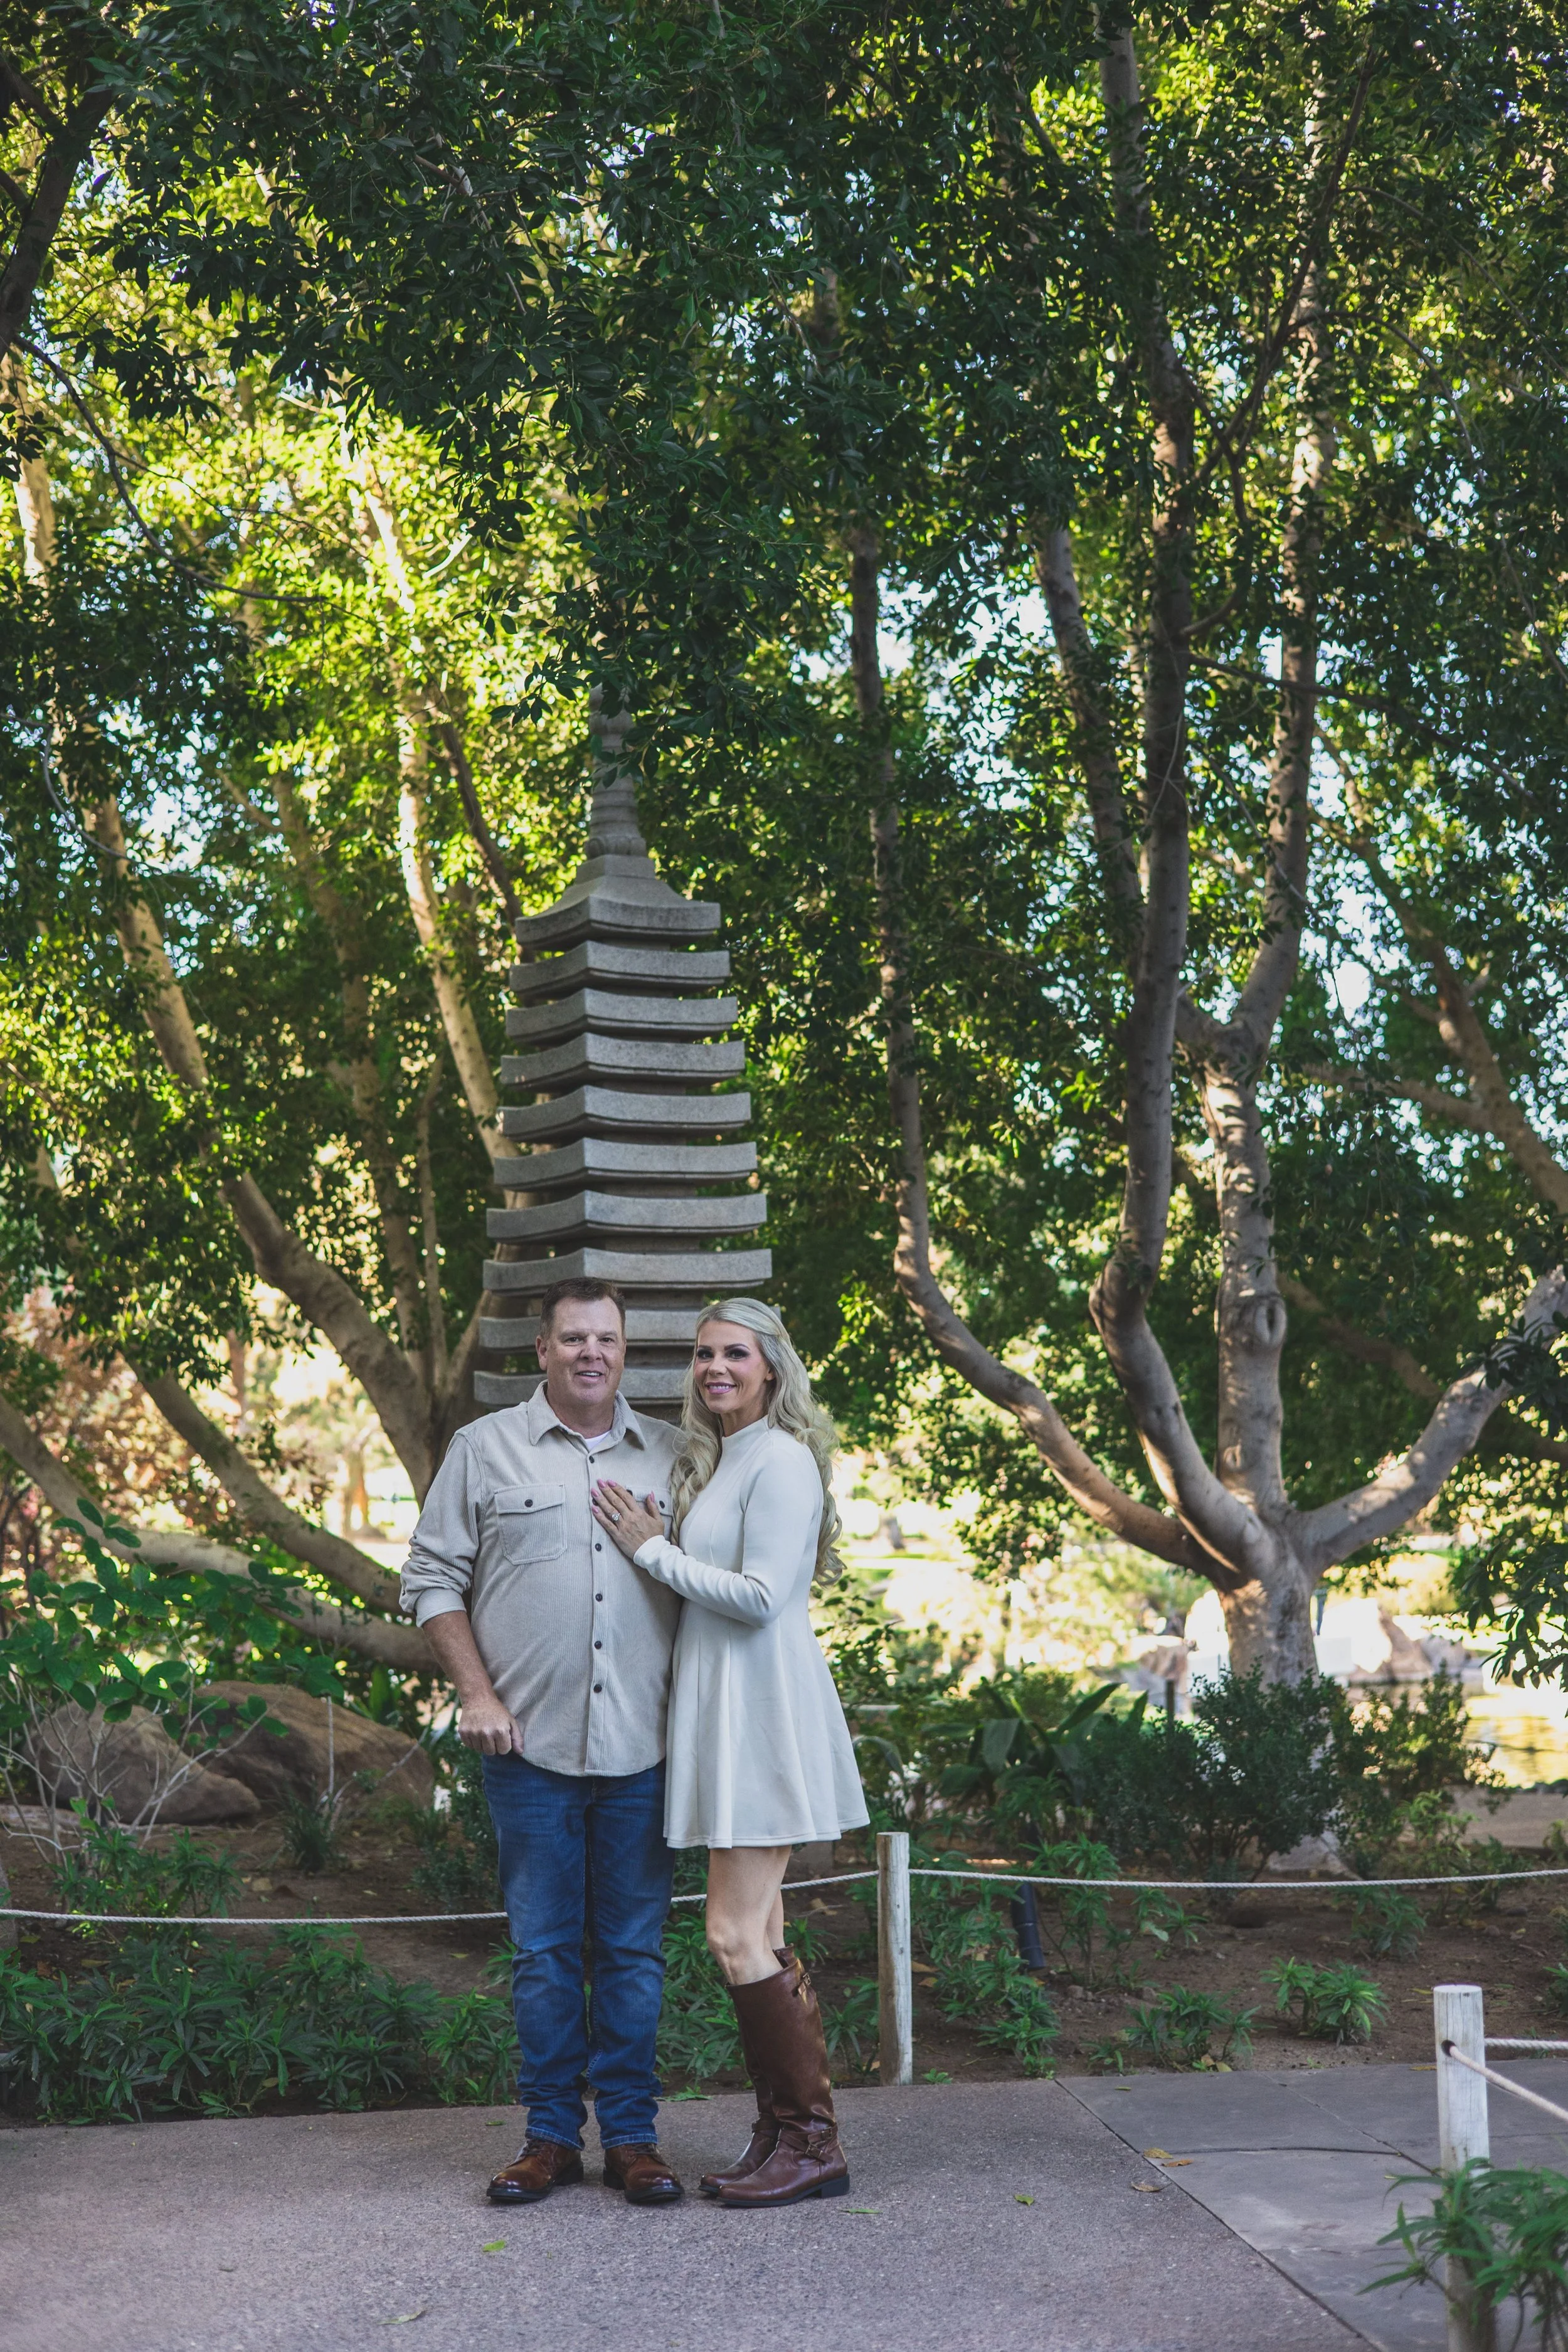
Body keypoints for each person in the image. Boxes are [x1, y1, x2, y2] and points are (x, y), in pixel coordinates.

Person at [400, 1276, 687, 2209]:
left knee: (636, 1954)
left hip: (647, 1749)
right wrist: (475, 1693)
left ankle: (634, 2142)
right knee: (545, 1953)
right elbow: (433, 1577)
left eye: (606, 1337)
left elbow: (717, 1589)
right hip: (528, 1752)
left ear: (624, 1348)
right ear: (543, 1349)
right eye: (573, 1338)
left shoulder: (677, 1458)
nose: (591, 1352)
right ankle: (551, 2139)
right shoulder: (484, 1451)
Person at [591, 1296, 869, 2210]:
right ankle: (787, 2132)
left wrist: (652, 1551)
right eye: (705, 1354)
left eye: (736, 1354)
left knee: (731, 1933)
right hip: (724, 1709)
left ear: (773, 1368)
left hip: (761, 1713)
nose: (715, 1368)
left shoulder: (783, 1460)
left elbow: (758, 1595)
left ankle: (811, 2141)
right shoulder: (723, 1460)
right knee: (765, 1933)